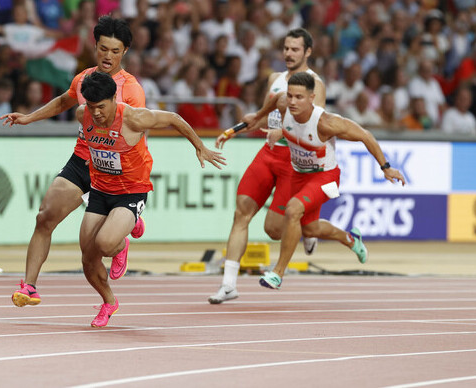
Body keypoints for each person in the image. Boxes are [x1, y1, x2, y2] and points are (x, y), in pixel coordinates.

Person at [0, 16, 146, 308]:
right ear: (96, 46)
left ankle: (125, 231)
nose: (108, 56)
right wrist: (29, 117)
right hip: (82, 160)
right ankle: (29, 286)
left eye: (115, 51)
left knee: (100, 245)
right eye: (103, 48)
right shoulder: (84, 79)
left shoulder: (131, 91)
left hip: (114, 170)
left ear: (125, 52)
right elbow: (65, 101)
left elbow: (137, 136)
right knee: (44, 217)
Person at [77, 71, 226, 327]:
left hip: (131, 191)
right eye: (92, 107)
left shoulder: (134, 118)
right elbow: (66, 109)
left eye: (101, 107)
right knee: (87, 257)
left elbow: (175, 118)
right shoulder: (83, 114)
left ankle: (123, 242)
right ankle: (108, 302)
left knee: (104, 243)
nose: (97, 113)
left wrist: (199, 146)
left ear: (114, 98)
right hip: (100, 190)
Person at [246, 72, 406, 289]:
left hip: (324, 177)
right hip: (297, 174)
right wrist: (259, 117)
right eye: (290, 96)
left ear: (312, 98)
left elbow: (365, 135)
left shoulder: (326, 123)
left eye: (299, 97)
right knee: (295, 229)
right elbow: (275, 101)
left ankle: (278, 272)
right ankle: (350, 239)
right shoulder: (285, 105)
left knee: (293, 210)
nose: (292, 102)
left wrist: (386, 168)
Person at [208, 28, 324, 304]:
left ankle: (308, 226)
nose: (288, 53)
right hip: (268, 154)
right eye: (286, 48)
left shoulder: (315, 84)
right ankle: (228, 285)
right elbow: (265, 116)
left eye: (295, 49)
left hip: (294, 160)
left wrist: (284, 131)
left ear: (308, 52)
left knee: (274, 229)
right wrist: (239, 127)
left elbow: (313, 124)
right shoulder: (274, 78)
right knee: (241, 213)